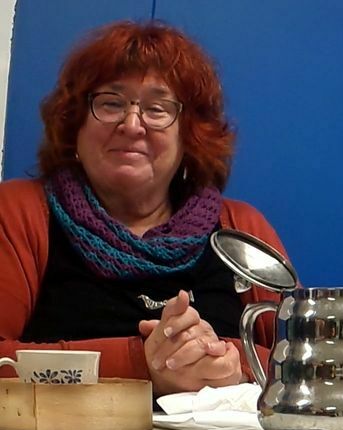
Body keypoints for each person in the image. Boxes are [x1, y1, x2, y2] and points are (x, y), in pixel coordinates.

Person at [0, 21, 286, 396]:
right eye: (110, 103)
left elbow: (309, 361)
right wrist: (141, 364)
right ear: (75, 126)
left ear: (189, 135)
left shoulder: (242, 227)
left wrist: (231, 362)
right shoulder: (17, 213)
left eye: (157, 108)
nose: (132, 125)